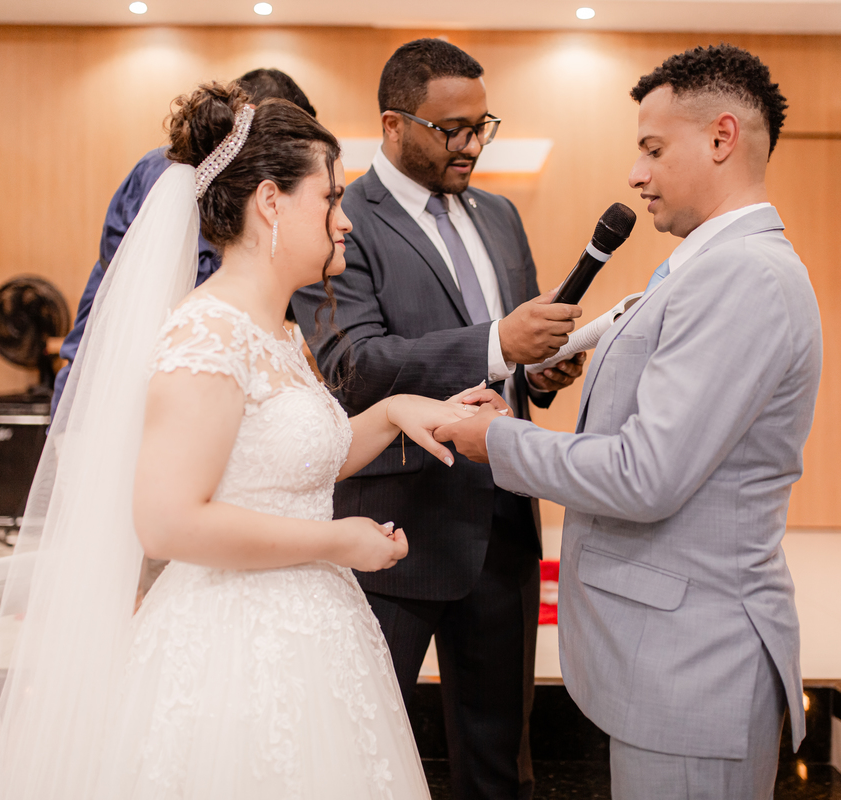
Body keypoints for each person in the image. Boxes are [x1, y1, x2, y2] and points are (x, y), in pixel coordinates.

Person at [0, 83, 497, 799]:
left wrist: (400, 408)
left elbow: (295, 465)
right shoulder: (207, 334)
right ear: (272, 203)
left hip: (311, 634)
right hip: (231, 652)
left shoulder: (277, 331)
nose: (345, 223)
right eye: (330, 200)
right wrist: (338, 542)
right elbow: (168, 521)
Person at [435, 44, 822, 799]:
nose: (636, 174)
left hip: (697, 669)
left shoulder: (743, 275)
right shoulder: (703, 266)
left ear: (720, 138)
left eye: (652, 149)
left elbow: (645, 475)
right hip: (667, 659)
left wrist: (498, 442)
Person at [0, 69, 316, 707]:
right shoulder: (175, 178)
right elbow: (177, 302)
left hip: (173, 399)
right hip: (124, 401)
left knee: (130, 565)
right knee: (108, 562)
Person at [291, 39, 585, 800]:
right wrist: (495, 344)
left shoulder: (501, 215)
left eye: (482, 127)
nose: (472, 145)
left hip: (503, 526)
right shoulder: (339, 218)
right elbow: (352, 366)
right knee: (363, 752)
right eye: (452, 129)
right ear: (394, 124)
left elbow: (509, 364)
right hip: (392, 527)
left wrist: (537, 369)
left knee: (499, 763)